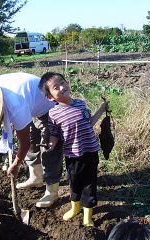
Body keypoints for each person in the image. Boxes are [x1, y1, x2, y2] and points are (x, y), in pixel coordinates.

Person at [0, 72, 63, 208]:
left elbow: (24, 143)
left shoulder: (16, 106)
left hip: (50, 106)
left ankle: (52, 191)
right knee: (32, 138)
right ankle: (36, 177)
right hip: (32, 101)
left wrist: (16, 164)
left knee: (48, 147)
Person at [38, 72, 109, 226]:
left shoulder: (81, 104)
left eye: (63, 82)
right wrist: (50, 146)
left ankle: (87, 215)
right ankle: (75, 207)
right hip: (72, 156)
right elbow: (55, 135)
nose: (62, 87)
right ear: (50, 97)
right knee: (75, 183)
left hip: (90, 151)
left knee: (89, 184)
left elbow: (89, 122)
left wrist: (102, 109)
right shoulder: (54, 114)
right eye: (56, 87)